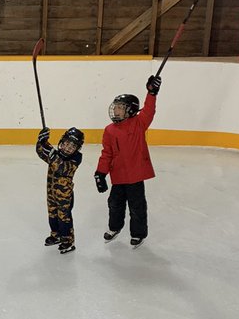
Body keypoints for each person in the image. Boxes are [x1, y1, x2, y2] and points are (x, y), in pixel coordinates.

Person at [94, 74, 162, 248]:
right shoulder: (109, 130)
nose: (115, 110)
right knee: (114, 204)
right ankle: (114, 227)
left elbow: (149, 110)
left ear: (130, 110)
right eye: (115, 107)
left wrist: (151, 93)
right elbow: (106, 153)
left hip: (135, 176)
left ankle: (138, 234)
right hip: (118, 176)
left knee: (137, 206)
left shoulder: (139, 124)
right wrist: (100, 173)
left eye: (120, 107)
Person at [36, 126, 84, 254]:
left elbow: (62, 168)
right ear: (61, 143)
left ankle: (68, 241)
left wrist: (51, 154)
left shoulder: (76, 159)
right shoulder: (56, 155)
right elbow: (41, 153)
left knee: (64, 217)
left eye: (72, 147)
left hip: (64, 196)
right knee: (52, 214)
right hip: (51, 192)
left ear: (77, 149)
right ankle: (56, 235)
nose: (68, 148)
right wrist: (42, 141)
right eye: (66, 144)